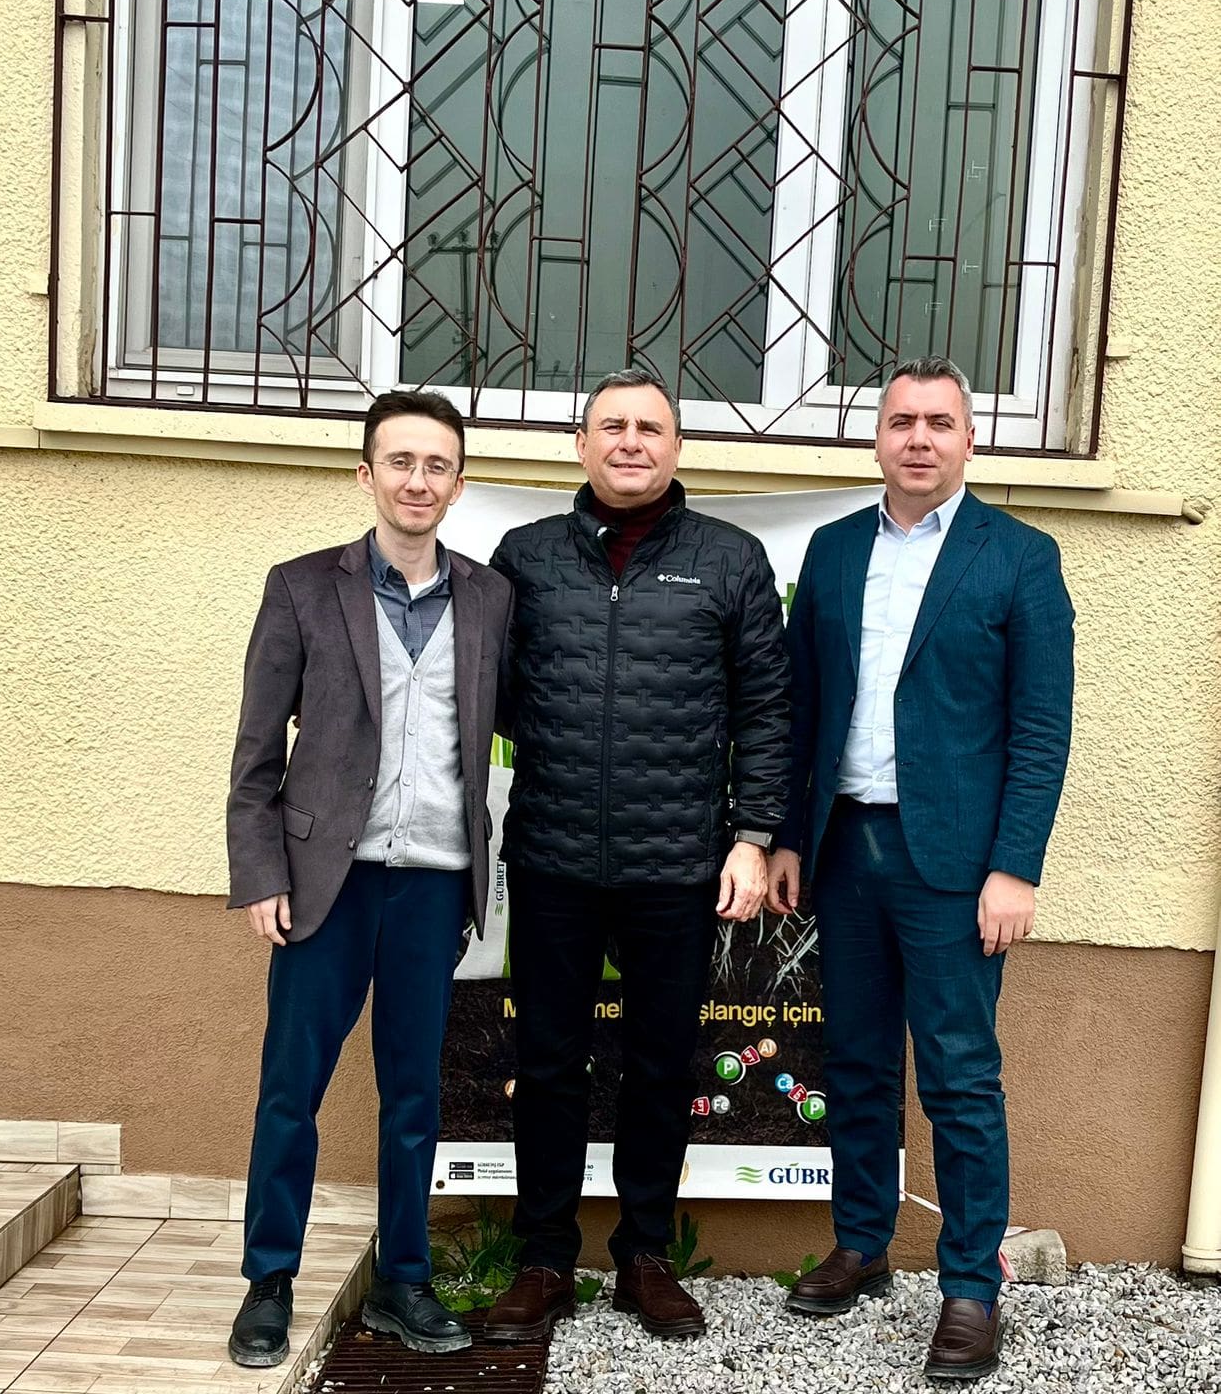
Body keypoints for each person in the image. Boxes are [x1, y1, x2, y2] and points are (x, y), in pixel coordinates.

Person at [768, 356, 1074, 1382]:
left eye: (939, 422)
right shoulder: (832, 549)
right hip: (844, 847)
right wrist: (786, 836)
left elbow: (1039, 728)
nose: (918, 438)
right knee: (855, 1061)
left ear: (967, 439)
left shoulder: (1019, 556)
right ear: (877, 438)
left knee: (957, 1074)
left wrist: (1014, 867)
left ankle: (969, 1289)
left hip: (954, 864)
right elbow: (801, 708)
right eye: (901, 420)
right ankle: (860, 1243)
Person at [483, 369, 792, 1345]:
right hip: (551, 857)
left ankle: (644, 1255)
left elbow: (765, 710)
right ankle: (542, 1257)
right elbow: (494, 693)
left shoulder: (730, 559)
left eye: (649, 427)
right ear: (581, 445)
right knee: (548, 1063)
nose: (629, 441)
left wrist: (751, 837)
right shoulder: (525, 556)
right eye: (611, 425)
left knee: (660, 1064)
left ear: (675, 446)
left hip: (677, 865)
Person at [225, 390, 513, 1367]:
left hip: (433, 882)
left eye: (437, 465)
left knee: (413, 1094)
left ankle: (403, 1278)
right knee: (291, 1087)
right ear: (366, 473)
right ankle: (270, 1278)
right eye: (400, 461)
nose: (417, 480)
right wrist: (260, 871)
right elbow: (255, 752)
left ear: (458, 484)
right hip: (325, 883)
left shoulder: (488, 598)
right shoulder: (302, 587)